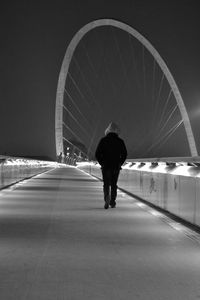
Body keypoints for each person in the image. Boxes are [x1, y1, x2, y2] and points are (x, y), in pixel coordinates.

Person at [95, 122, 127, 209]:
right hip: (116, 166)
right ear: (117, 131)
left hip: (106, 166)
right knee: (113, 184)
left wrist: (102, 163)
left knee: (106, 184)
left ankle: (106, 198)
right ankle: (112, 201)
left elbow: (97, 154)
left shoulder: (103, 140)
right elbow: (124, 154)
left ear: (107, 131)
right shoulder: (120, 141)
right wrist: (120, 163)